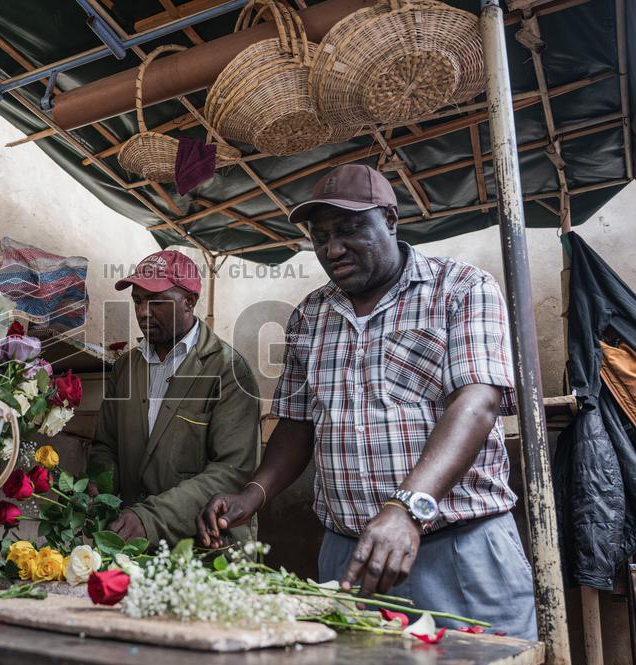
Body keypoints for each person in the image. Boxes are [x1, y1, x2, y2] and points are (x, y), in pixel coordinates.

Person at [196, 164, 538, 640]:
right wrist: (252, 495)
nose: (332, 249)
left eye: (350, 230)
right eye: (320, 238)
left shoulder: (460, 288)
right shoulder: (310, 316)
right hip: (350, 556)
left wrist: (406, 509)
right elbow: (296, 425)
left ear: (391, 220)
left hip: (460, 549)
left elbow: (476, 402)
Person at [88, 250, 261, 546]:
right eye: (138, 301)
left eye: (156, 301)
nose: (143, 312)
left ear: (188, 303)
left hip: (205, 549)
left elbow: (232, 472)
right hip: (138, 547)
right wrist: (99, 485)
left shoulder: (228, 370)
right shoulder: (125, 368)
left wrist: (149, 519)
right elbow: (106, 445)